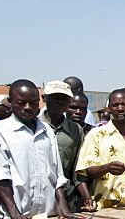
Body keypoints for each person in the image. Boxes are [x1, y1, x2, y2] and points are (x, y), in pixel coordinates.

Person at [0, 80, 71, 219]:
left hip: (47, 215)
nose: (27, 108)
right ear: (10, 102)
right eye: (21, 103)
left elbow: (57, 172)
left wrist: (62, 203)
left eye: (32, 103)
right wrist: (15, 214)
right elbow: (1, 176)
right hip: (17, 217)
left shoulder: (46, 130)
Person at [40, 80, 93, 212]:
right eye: (54, 98)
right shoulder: (34, 126)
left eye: (63, 99)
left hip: (68, 198)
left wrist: (86, 196)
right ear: (44, 98)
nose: (59, 102)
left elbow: (78, 168)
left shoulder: (75, 130)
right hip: (39, 197)